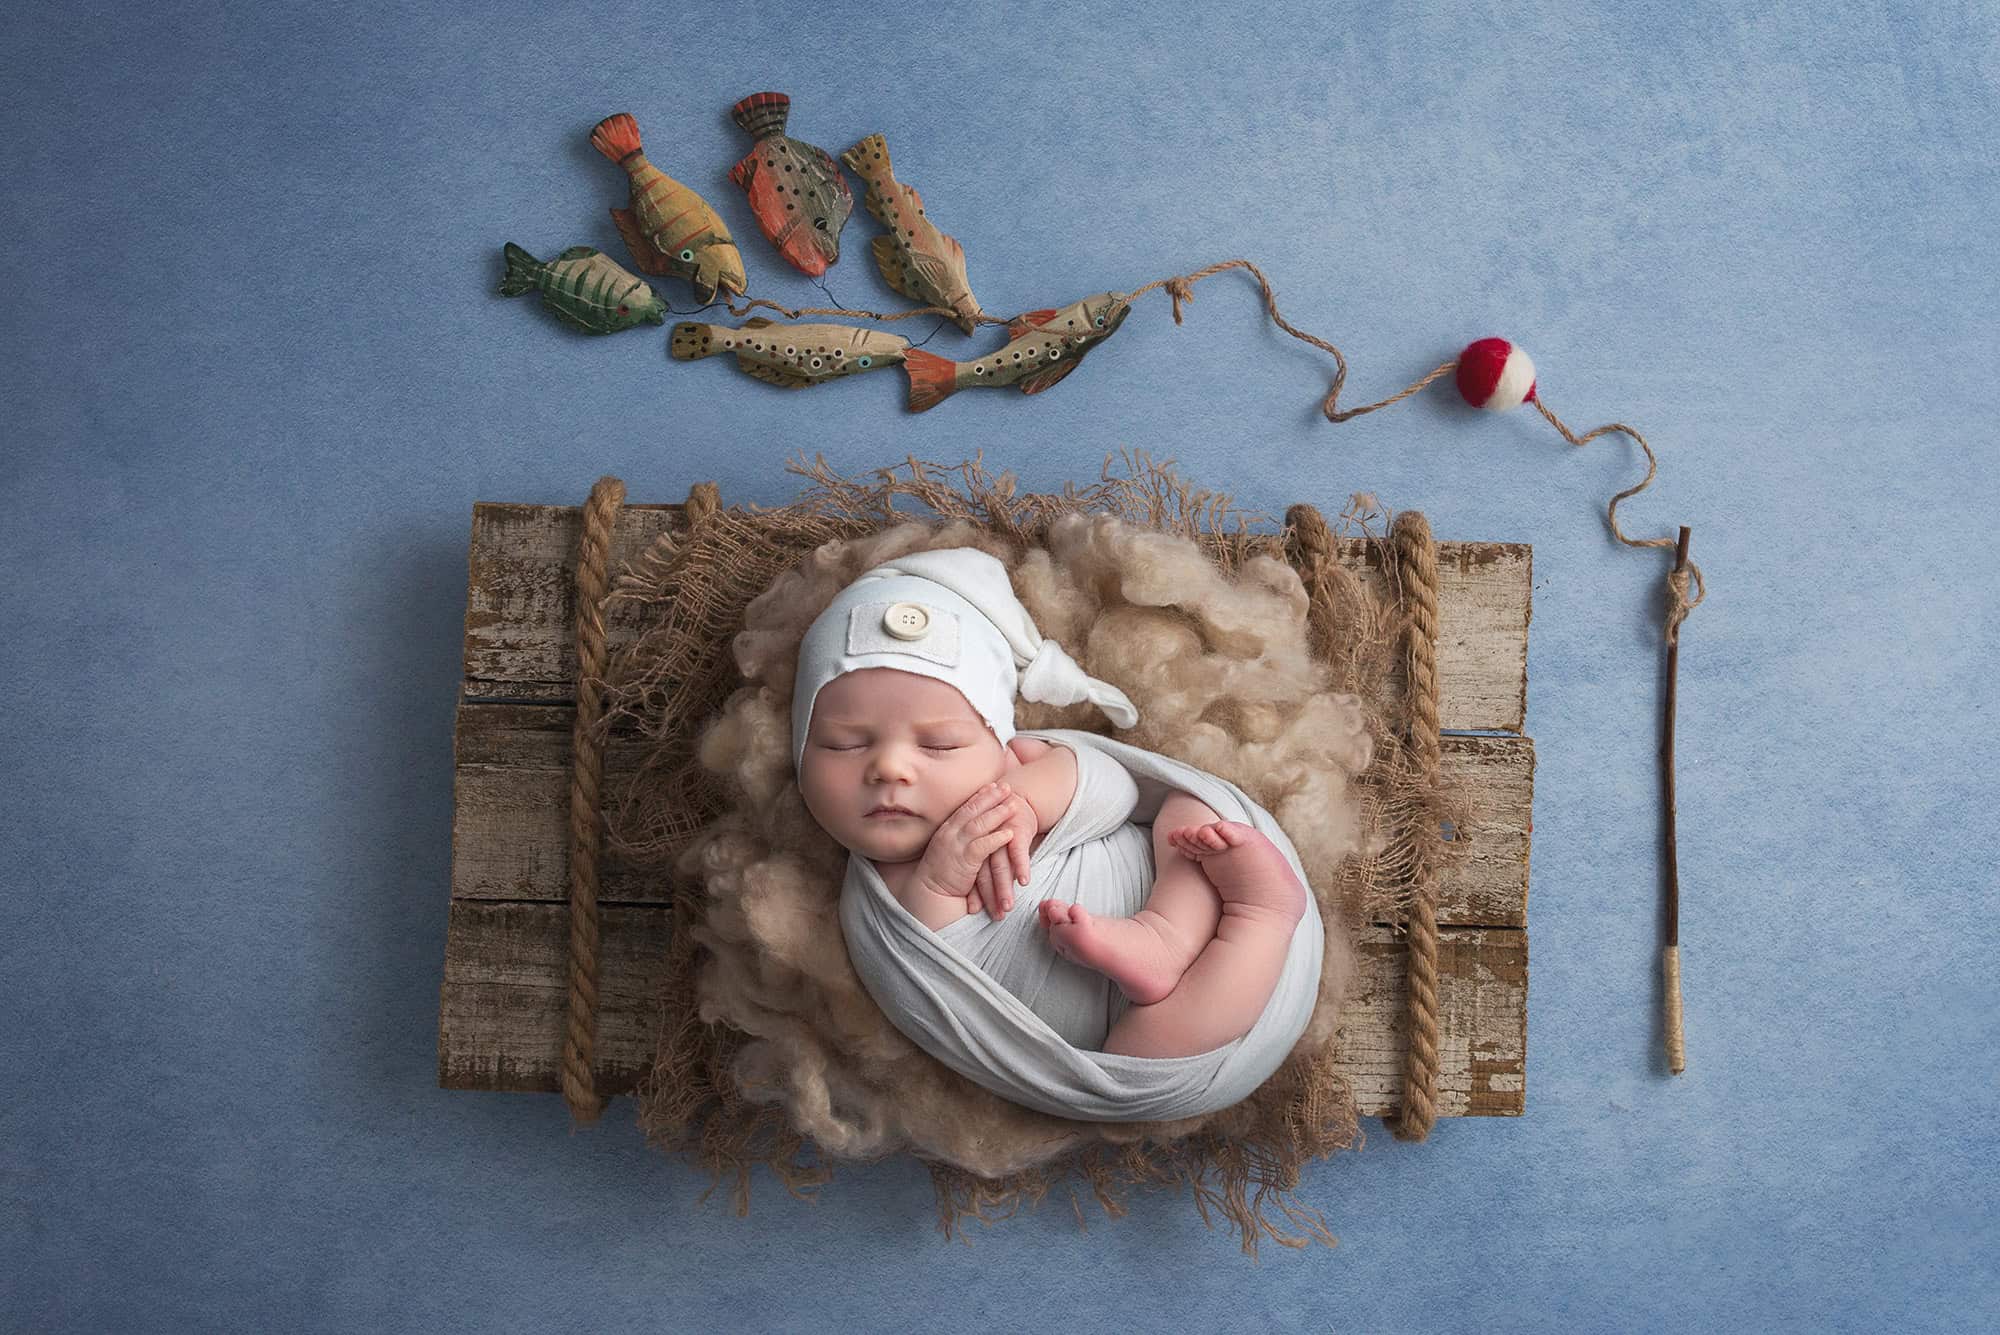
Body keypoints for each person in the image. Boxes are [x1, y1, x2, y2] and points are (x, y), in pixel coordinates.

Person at [792, 548, 1311, 1061]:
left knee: (1189, 807)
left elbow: (1122, 788)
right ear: (801, 757)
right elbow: (928, 978)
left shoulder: (1025, 762)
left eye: (940, 745)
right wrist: (939, 885)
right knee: (1144, 1051)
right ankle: (1259, 922)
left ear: (996, 741)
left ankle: (1196, 927)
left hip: (1194, 896)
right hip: (1169, 1023)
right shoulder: (872, 907)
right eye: (845, 744)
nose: (891, 769)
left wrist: (1029, 802)